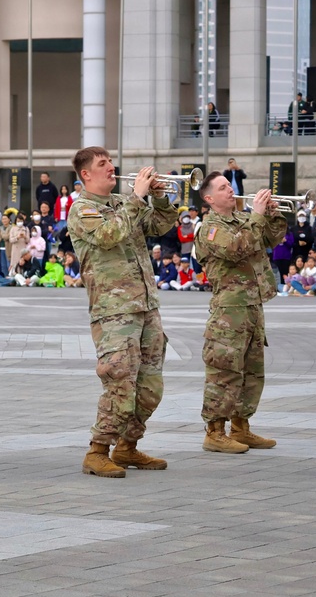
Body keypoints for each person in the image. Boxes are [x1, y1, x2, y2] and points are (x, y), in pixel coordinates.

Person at [68, 148, 178, 478]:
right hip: (114, 311)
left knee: (150, 386)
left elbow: (160, 225)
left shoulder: (120, 203)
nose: (111, 168)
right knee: (119, 383)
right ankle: (97, 451)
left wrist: (158, 198)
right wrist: (137, 197)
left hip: (145, 306)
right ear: (86, 174)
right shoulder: (82, 209)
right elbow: (109, 235)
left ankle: (128, 446)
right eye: (102, 164)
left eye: (111, 162)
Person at [193, 172, 287, 454]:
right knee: (225, 371)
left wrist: (272, 215)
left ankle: (240, 426)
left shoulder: (244, 220)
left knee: (251, 371)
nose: (231, 190)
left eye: (229, 185)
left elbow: (272, 239)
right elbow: (235, 248)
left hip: (252, 305)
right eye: (223, 188)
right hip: (229, 310)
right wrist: (257, 216)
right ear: (209, 198)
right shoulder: (210, 228)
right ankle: (214, 432)